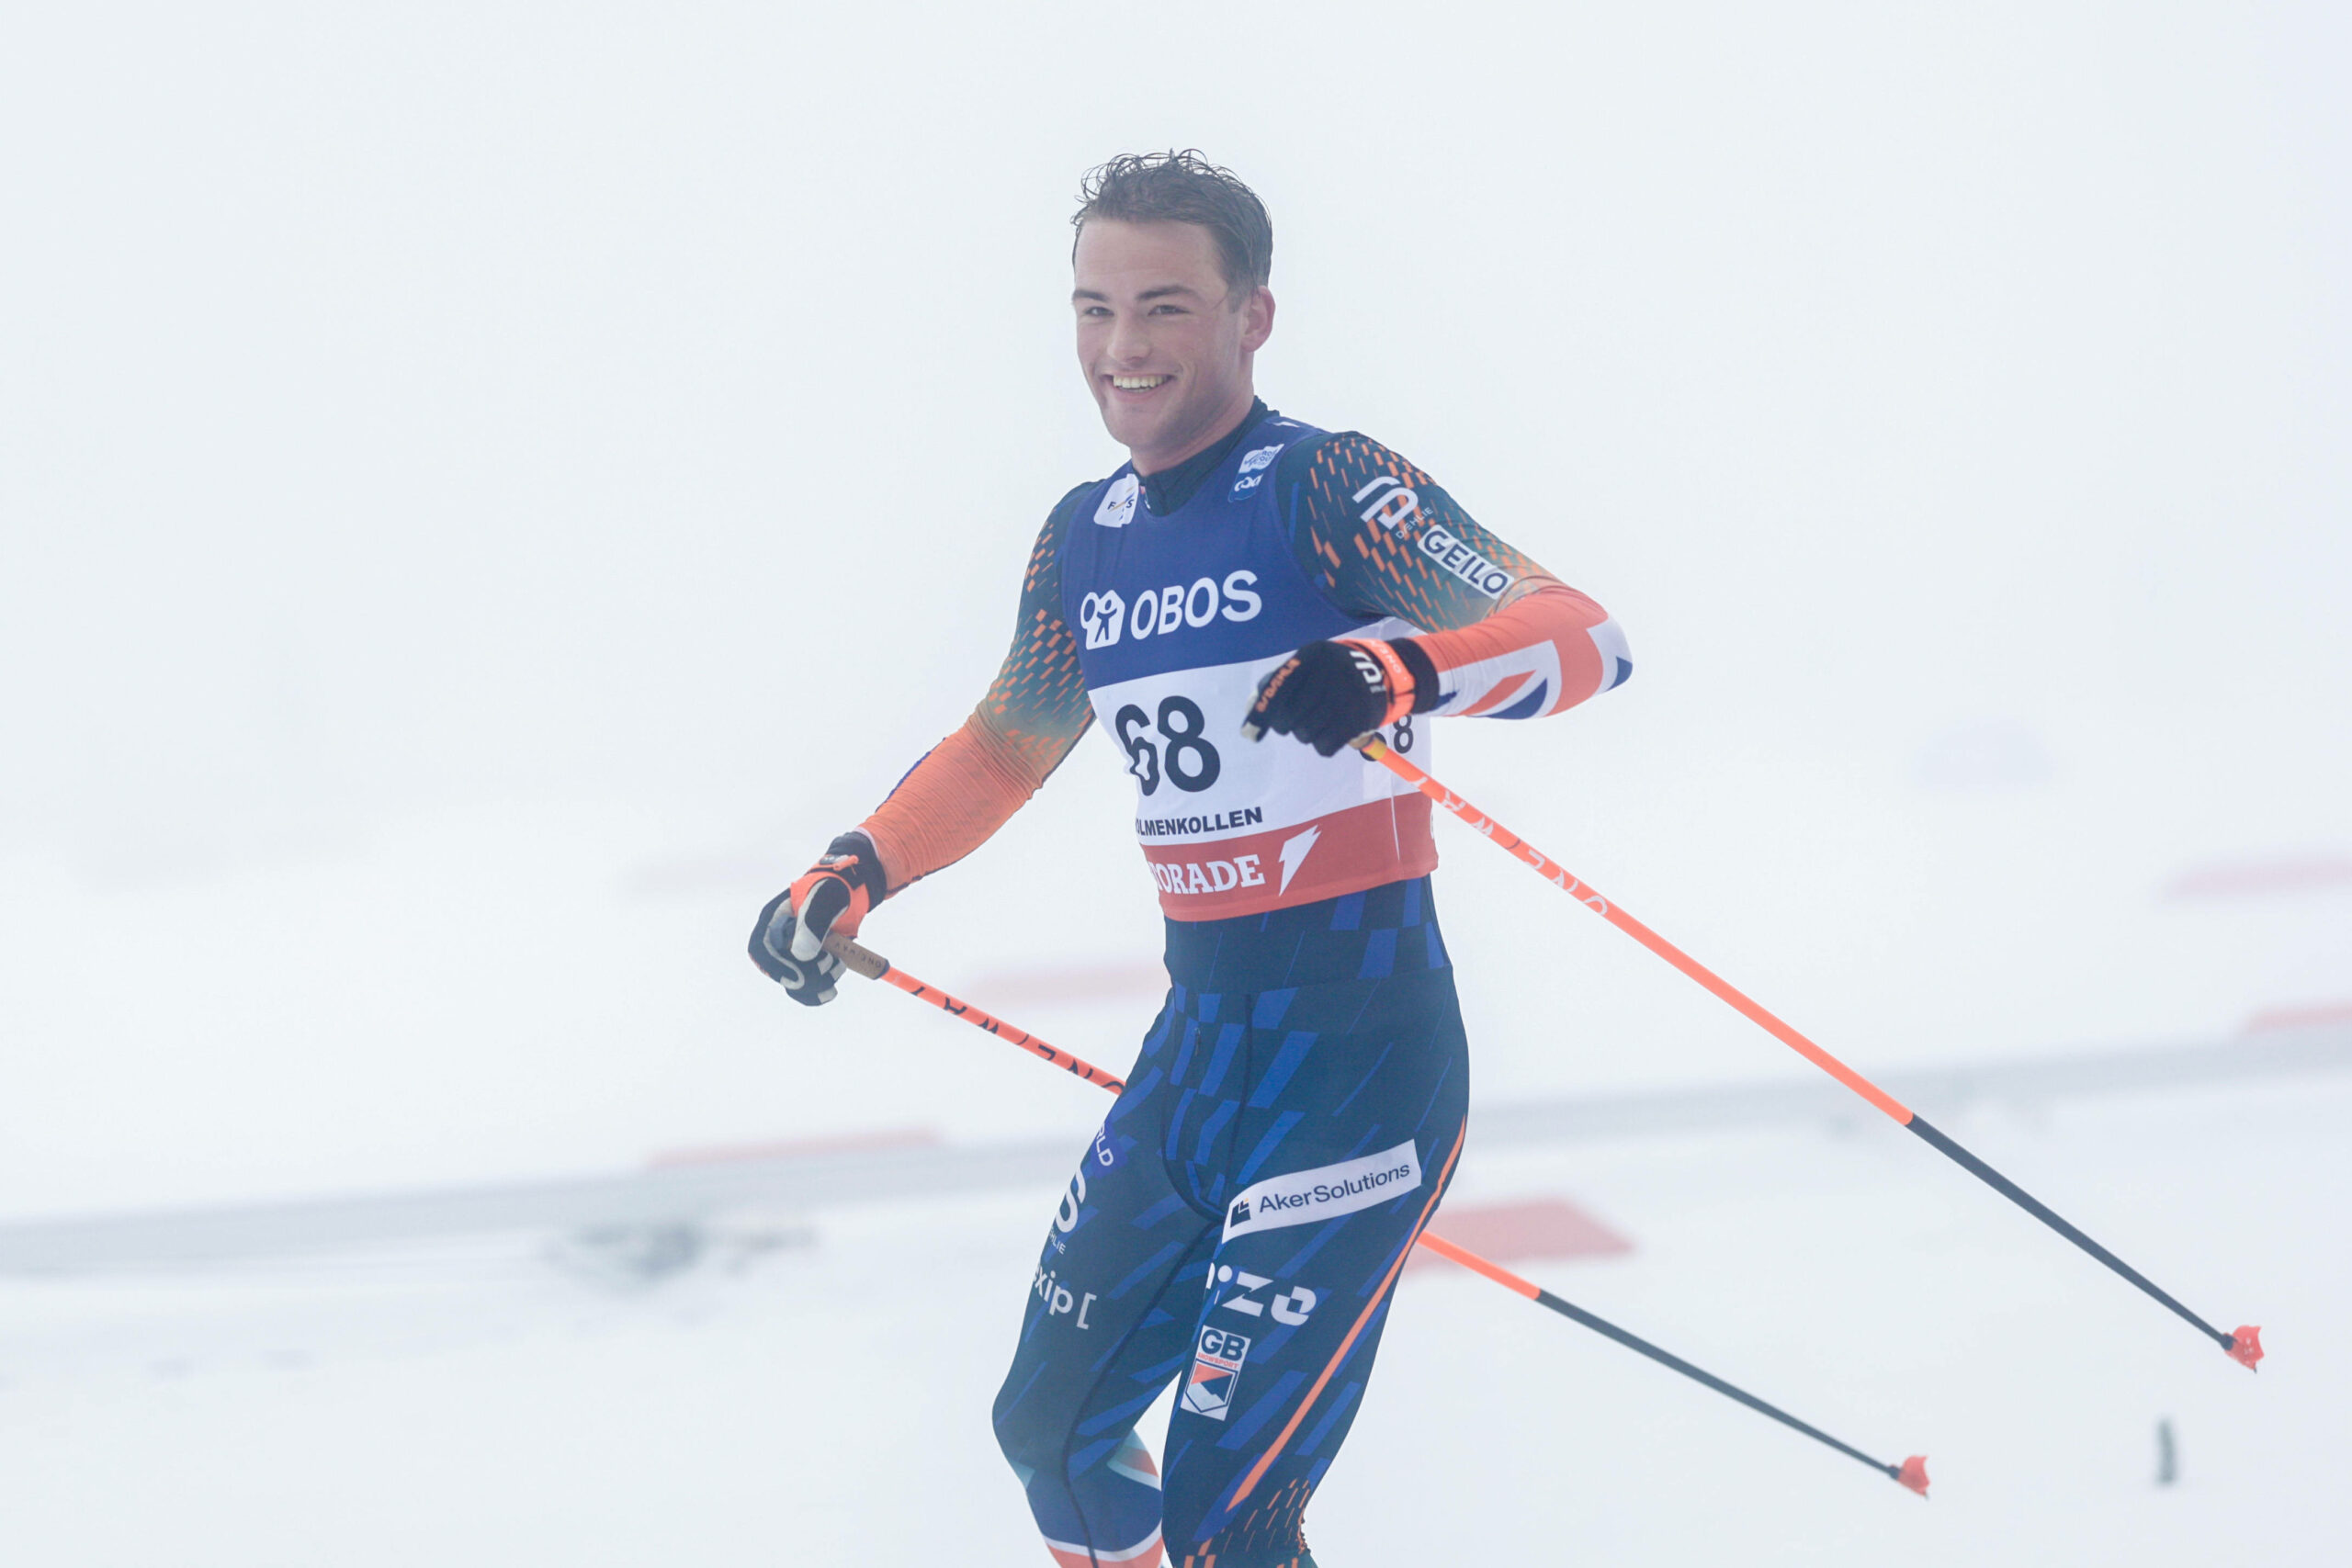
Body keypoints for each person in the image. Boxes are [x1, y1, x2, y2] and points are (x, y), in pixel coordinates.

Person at [751, 151, 1631, 1568]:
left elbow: (1587, 635)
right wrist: (858, 869)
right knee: (1056, 1434)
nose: (1123, 349)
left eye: (1163, 306)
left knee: (1232, 1511)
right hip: (1201, 1057)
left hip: (1361, 1063)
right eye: (1095, 309)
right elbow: (1001, 745)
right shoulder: (1084, 542)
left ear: (1251, 317)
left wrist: (1398, 669)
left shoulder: (1325, 487)